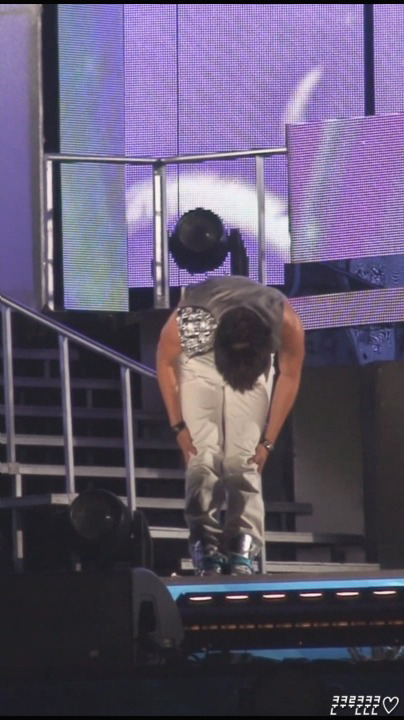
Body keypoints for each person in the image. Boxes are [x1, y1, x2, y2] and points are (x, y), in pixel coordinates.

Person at [156, 275, 305, 576]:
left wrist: (267, 442)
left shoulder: (283, 320)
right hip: (201, 360)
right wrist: (179, 427)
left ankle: (243, 541)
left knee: (243, 459)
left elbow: (289, 376)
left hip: (252, 361)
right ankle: (205, 540)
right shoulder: (192, 321)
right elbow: (165, 361)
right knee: (202, 456)